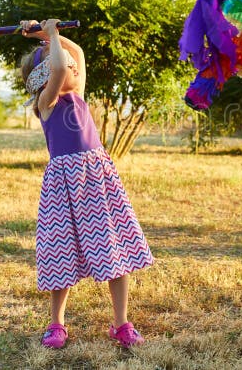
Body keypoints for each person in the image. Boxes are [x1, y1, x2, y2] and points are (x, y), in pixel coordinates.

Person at [19, 19, 154, 349]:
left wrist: (49, 36)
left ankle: (121, 323)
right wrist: (50, 37)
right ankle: (56, 323)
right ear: (47, 77)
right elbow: (61, 70)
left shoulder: (77, 95)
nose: (75, 68)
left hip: (96, 184)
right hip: (65, 188)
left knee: (114, 252)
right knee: (62, 255)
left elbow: (74, 54)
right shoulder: (46, 104)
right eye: (65, 65)